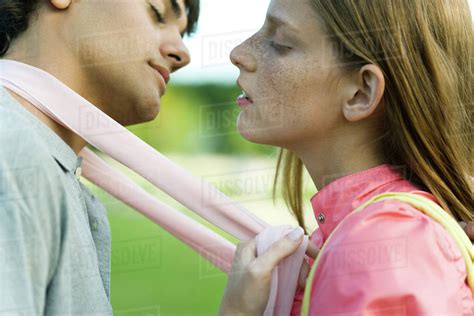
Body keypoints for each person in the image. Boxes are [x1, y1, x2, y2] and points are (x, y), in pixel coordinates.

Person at [220, 0, 473, 315]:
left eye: (281, 43)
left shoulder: (378, 248)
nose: (239, 54)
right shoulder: (354, 237)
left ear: (361, 92)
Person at [0, 0, 197, 314]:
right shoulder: (13, 154)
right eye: (157, 13)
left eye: (183, 33)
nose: (182, 54)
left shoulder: (45, 160)